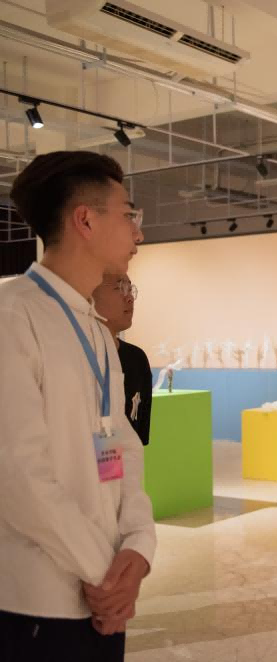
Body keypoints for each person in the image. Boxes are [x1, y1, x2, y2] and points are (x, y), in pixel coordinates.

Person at [0, 151, 156, 662]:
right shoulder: (12, 316)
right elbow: (18, 475)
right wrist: (104, 573)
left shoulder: (96, 330)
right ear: (85, 220)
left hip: (103, 597)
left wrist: (137, 546)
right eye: (128, 214)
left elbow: (121, 446)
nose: (137, 233)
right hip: (36, 602)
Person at [92, 273, 153, 445]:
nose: (130, 298)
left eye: (130, 289)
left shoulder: (137, 359)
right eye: (120, 288)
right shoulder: (77, 358)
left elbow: (139, 438)